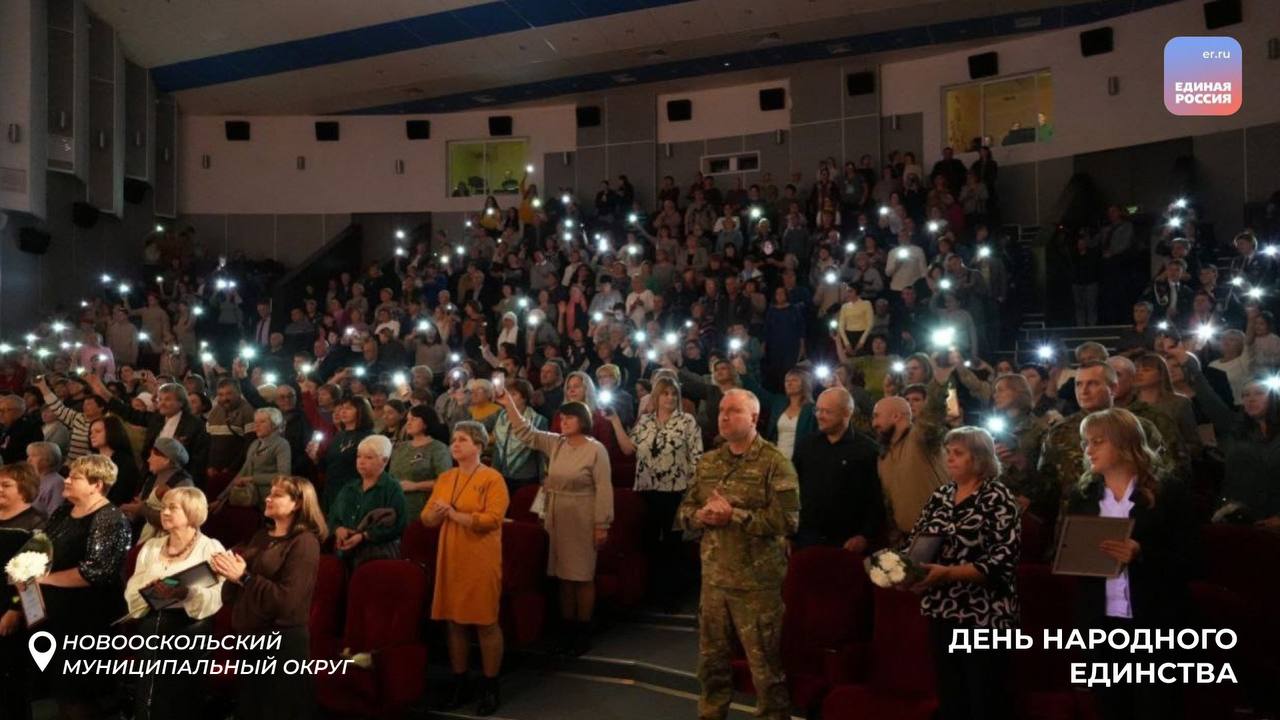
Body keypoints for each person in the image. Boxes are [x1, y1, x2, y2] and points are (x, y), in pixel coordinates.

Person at [1067, 408, 1196, 720]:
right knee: (1111, 708)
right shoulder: (1084, 494)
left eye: (1098, 441)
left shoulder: (1167, 492)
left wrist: (1142, 553)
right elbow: (1068, 554)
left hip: (1156, 621)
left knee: (1158, 707)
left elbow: (1193, 559)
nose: (1088, 450)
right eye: (1086, 442)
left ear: (1124, 443)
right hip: (1102, 623)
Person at [677, 389, 798, 720]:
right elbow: (683, 511)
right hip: (714, 582)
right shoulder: (709, 462)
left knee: (766, 674)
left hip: (756, 586)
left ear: (754, 418)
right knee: (712, 668)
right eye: (720, 411)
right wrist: (699, 516)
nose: (724, 417)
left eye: (733, 411)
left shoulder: (775, 462)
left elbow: (788, 520)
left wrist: (736, 516)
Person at [902, 426, 1020, 720]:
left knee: (984, 696)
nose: (950, 458)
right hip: (942, 608)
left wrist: (948, 573)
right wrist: (908, 572)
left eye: (958, 453)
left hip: (985, 613)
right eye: (948, 453)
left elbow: (1003, 560)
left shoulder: (997, 496)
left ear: (979, 458)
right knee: (951, 694)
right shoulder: (941, 495)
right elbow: (917, 542)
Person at [496, 391, 612, 656]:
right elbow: (526, 433)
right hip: (557, 515)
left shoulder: (596, 449)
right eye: (562, 417)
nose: (564, 421)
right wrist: (510, 404)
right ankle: (567, 628)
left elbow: (604, 489)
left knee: (581, 575)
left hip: (582, 514)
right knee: (563, 576)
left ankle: (583, 630)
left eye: (570, 417)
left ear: (582, 420)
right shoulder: (556, 443)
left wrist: (602, 524)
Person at [212, 476, 327, 720]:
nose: (267, 497)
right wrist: (229, 572)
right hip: (252, 641)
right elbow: (236, 590)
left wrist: (243, 577)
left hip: (282, 645)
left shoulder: (305, 542)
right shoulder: (261, 537)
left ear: (297, 503)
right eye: (269, 493)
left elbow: (289, 601)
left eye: (276, 495)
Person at [31, 455, 132, 719]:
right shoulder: (64, 510)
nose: (66, 480)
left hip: (89, 619)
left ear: (96, 485)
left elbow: (96, 571)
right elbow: (42, 545)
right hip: (57, 614)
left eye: (75, 477)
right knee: (60, 692)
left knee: (78, 693)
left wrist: (44, 579)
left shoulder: (111, 518)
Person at [422, 421, 510, 715]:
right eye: (453, 440)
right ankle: (460, 681)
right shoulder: (446, 477)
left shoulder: (493, 478)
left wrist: (456, 516)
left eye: (462, 440)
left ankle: (490, 685)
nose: (455, 444)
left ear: (479, 446)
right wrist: (437, 514)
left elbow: (492, 520)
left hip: (480, 556)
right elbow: (426, 519)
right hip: (451, 555)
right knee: (454, 621)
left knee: (485, 622)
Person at [123, 487, 225, 720]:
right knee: (147, 697)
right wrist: (150, 589)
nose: (165, 512)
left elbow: (217, 596)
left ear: (192, 513)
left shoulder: (210, 547)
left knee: (178, 701)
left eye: (173, 508)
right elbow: (132, 588)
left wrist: (186, 593)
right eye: (163, 507)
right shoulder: (151, 546)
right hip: (152, 626)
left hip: (188, 631)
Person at [608, 376, 703, 608]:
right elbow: (628, 449)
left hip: (676, 490)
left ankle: (672, 595)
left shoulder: (687, 421)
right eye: (665, 393)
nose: (670, 398)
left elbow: (697, 456)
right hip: (647, 490)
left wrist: (694, 490)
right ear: (657, 396)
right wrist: (615, 421)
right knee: (649, 542)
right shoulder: (646, 421)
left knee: (673, 544)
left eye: (674, 394)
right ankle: (651, 593)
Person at [1038, 361, 1172, 517]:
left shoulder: (1138, 427)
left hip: (1139, 513)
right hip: (1078, 518)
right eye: (1079, 384)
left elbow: (1165, 469)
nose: (1084, 391)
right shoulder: (1058, 432)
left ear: (1113, 388)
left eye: (1092, 384)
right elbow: (1045, 484)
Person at [1178, 350, 1280, 526]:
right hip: (1235, 514)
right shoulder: (1234, 427)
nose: (1251, 399)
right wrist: (1190, 365)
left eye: (1259, 393)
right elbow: (1209, 399)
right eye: (1246, 395)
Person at [792, 387, 883, 550]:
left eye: (827, 411)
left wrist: (865, 535)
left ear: (847, 412)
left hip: (847, 542)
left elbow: (875, 498)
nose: (820, 415)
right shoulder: (806, 445)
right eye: (817, 410)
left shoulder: (867, 450)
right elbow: (792, 489)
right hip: (806, 539)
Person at [87, 374, 210, 483]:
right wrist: (105, 394)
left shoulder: (195, 425)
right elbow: (129, 413)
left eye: (167, 399)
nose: (161, 403)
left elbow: (198, 463)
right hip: (151, 477)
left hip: (179, 481)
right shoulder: (157, 419)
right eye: (160, 399)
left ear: (181, 402)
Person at [0, 463, 45, 720]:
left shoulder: (36, 524)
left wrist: (15, 610)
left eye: (6, 485)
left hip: (11, 608)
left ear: (25, 488)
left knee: (11, 682)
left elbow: (32, 576)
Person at [871, 392, 948, 539]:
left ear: (896, 416)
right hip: (907, 540)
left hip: (940, 537)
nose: (874, 424)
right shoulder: (884, 456)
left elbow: (933, 417)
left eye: (877, 416)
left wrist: (939, 380)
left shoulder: (920, 439)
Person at [326, 434, 407, 568]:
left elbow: (399, 524)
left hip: (378, 556)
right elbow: (333, 516)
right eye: (359, 456)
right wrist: (338, 529)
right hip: (346, 553)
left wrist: (364, 536)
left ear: (384, 460)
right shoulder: (349, 487)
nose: (361, 461)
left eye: (368, 457)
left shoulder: (392, 488)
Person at [988, 373, 1054, 520]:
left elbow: (1047, 471)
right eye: (995, 391)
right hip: (997, 499)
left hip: (1026, 503)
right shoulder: (996, 427)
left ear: (1018, 392)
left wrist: (1029, 496)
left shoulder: (1038, 429)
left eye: (1001, 390)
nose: (996, 395)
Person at [309, 396, 375, 509]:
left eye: (348, 408)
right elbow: (328, 466)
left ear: (361, 411)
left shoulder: (368, 437)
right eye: (342, 408)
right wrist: (315, 457)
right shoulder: (339, 435)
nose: (342, 411)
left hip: (353, 492)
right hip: (332, 490)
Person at [125, 437, 195, 544]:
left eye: (152, 455)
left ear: (166, 459)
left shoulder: (183, 484)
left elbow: (177, 519)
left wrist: (141, 509)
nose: (148, 460)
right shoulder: (152, 477)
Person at [390, 404, 453, 520]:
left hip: (423, 507)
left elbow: (446, 481)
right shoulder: (400, 447)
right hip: (396, 506)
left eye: (413, 419)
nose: (408, 423)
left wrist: (415, 486)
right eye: (407, 420)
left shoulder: (438, 448)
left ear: (426, 422)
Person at [223, 407, 292, 510]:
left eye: (262, 422)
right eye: (255, 422)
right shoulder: (255, 444)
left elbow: (284, 476)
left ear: (274, 424)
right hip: (249, 496)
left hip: (270, 498)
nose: (257, 425)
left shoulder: (281, 444)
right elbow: (243, 472)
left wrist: (252, 479)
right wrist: (222, 497)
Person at [490, 379, 547, 496]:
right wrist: (493, 471)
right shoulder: (501, 416)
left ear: (524, 398)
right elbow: (497, 446)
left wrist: (544, 478)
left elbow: (541, 454)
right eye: (508, 394)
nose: (509, 398)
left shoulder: (538, 420)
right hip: (501, 473)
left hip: (526, 476)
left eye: (514, 394)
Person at [88, 415, 144, 507]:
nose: (92, 435)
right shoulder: (91, 460)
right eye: (91, 432)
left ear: (111, 432)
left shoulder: (125, 462)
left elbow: (120, 496)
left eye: (98, 431)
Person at [24, 441, 66, 516]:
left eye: (34, 456)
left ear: (47, 460)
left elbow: (54, 515)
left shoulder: (57, 483)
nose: (28, 460)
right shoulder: (29, 478)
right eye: (28, 456)